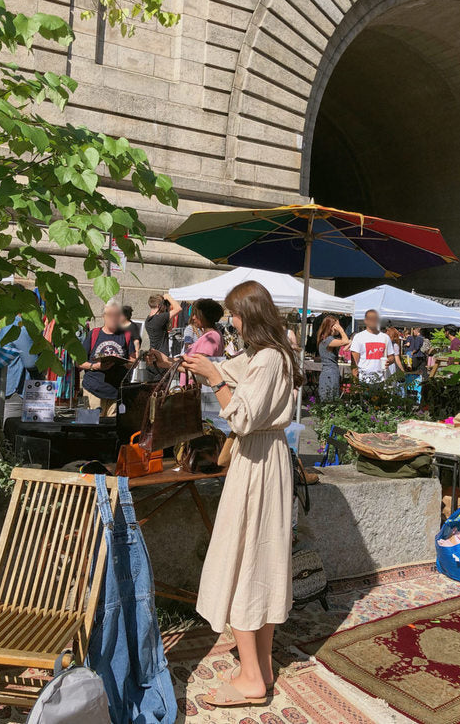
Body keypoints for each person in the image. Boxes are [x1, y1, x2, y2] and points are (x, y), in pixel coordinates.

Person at [181, 281, 303, 708]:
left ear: (249, 314)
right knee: (260, 560)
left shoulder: (270, 358)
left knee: (247, 561)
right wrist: (198, 364)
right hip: (264, 462)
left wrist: (214, 379)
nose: (230, 320)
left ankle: (253, 678)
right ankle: (262, 666)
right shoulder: (264, 356)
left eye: (234, 314)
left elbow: (244, 416)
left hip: (257, 463)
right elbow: (231, 368)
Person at [80, 299, 136, 416]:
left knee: (112, 430)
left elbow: (133, 361)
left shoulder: (126, 336)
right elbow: (79, 362)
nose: (113, 318)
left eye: (116, 314)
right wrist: (95, 366)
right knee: (91, 428)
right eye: (109, 315)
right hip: (92, 391)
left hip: (116, 393)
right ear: (103, 316)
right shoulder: (94, 334)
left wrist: (122, 362)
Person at [144, 293, 181, 380]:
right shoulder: (159, 318)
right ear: (159, 305)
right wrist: (168, 297)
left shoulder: (148, 319)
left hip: (153, 359)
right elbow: (179, 308)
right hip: (161, 360)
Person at [350, 310, 394, 382]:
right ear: (365, 320)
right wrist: (355, 381)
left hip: (381, 380)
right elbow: (354, 362)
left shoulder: (385, 337)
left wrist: (389, 361)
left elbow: (391, 357)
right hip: (363, 380)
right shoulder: (359, 337)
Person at [317, 315, 349, 401]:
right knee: (330, 399)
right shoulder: (328, 340)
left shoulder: (326, 339)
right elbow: (345, 341)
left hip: (330, 372)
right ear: (331, 327)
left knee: (330, 398)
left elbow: (346, 344)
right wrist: (342, 331)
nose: (339, 328)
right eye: (337, 326)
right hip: (330, 373)